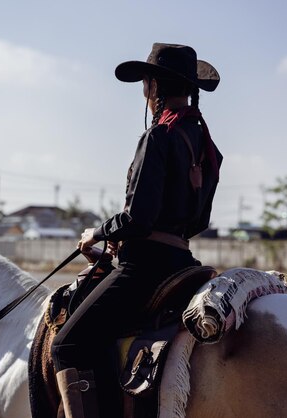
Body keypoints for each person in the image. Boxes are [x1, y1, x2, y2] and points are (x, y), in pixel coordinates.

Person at [51, 43, 223, 418]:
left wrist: (97, 233)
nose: (144, 91)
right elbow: (198, 222)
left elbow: (138, 219)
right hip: (182, 261)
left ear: (153, 87)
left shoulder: (157, 138)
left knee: (66, 345)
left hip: (145, 267)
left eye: (146, 83)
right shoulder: (208, 149)